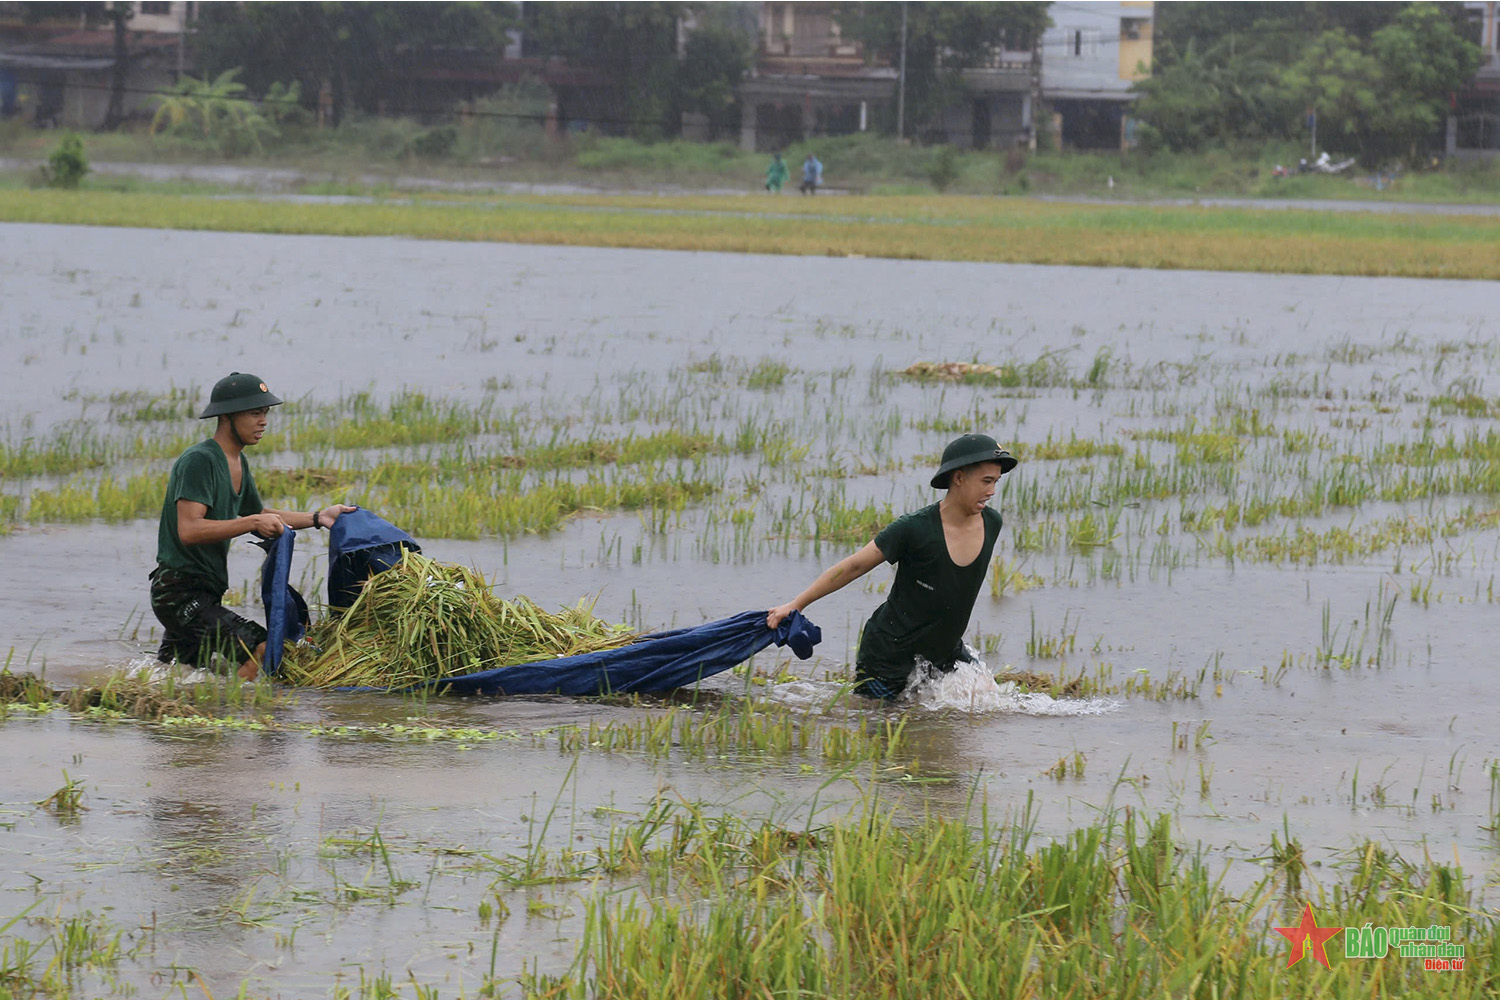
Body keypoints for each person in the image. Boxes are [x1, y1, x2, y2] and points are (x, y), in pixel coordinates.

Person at [767, 434, 1017, 700]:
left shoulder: (992, 522)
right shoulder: (914, 528)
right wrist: (797, 604)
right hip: (888, 657)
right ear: (958, 478)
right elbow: (853, 566)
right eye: (986, 481)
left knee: (987, 700)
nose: (992, 491)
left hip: (944, 652)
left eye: (996, 482)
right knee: (881, 727)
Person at [150, 372, 355, 680]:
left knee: (175, 675)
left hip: (205, 590)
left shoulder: (238, 462)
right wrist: (252, 521)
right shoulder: (200, 461)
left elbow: (257, 513)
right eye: (255, 413)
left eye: (265, 413)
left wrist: (318, 518)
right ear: (227, 417)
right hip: (179, 591)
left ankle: (179, 720)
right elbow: (189, 530)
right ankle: (231, 717)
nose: (263, 421)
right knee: (259, 647)